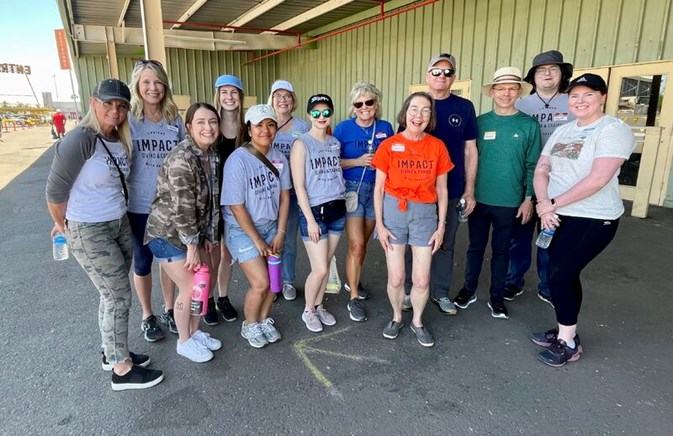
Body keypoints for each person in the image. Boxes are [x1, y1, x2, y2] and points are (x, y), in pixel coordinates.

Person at [46, 78, 164, 390]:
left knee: (109, 294)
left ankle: (112, 351)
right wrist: (65, 226)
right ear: (93, 102)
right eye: (108, 103)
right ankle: (121, 370)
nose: (115, 110)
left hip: (118, 223)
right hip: (89, 228)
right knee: (118, 295)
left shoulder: (117, 138)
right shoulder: (81, 139)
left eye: (121, 105)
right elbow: (54, 193)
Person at [530, 73, 635, 367]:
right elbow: (542, 169)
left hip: (592, 218)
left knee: (562, 274)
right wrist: (544, 204)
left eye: (588, 94)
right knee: (557, 272)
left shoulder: (613, 130)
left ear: (602, 96)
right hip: (554, 214)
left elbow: (598, 179)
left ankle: (569, 342)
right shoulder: (564, 131)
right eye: (575, 95)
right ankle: (565, 330)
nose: (580, 101)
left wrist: (552, 203)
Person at [453, 67, 541, 320]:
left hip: (510, 201)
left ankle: (496, 296)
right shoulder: (480, 123)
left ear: (519, 92)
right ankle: (468, 289)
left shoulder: (528, 125)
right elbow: (468, 159)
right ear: (492, 92)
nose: (506, 93)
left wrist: (528, 198)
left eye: (512, 88)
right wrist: (466, 193)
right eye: (501, 88)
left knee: (502, 250)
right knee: (475, 247)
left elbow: (533, 165)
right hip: (479, 199)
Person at [144, 102, 223, 363]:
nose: (208, 127)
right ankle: (183, 340)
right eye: (200, 122)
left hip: (193, 234)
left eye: (212, 121)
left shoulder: (211, 155)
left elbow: (213, 197)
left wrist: (211, 235)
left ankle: (195, 332)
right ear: (188, 127)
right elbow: (183, 207)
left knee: (204, 283)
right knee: (190, 286)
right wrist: (192, 246)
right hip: (167, 234)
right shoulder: (182, 158)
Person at [373, 92, 453, 347]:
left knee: (421, 279)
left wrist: (441, 226)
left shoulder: (437, 146)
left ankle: (417, 321)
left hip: (424, 214)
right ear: (405, 112)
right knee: (396, 278)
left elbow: (442, 190)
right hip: (394, 212)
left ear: (431, 117)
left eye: (425, 111)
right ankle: (397, 317)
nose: (419, 115)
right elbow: (378, 189)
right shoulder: (389, 145)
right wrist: (380, 225)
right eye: (414, 109)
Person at [403, 53, 478, 316]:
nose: (441, 76)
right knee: (415, 242)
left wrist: (469, 190)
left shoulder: (465, 107)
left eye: (447, 72)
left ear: (454, 78)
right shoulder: (416, 106)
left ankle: (440, 292)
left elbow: (470, 150)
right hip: (417, 191)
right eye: (436, 71)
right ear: (427, 76)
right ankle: (410, 289)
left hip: (452, 187)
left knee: (445, 241)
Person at [505, 50, 575, 306]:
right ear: (533, 77)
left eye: (553, 69)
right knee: (519, 237)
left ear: (562, 74)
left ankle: (548, 285)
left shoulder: (573, 103)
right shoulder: (521, 105)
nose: (547, 74)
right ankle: (513, 281)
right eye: (541, 70)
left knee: (551, 238)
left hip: (560, 184)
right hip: (524, 181)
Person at [222, 104, 291, 348]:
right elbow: (236, 206)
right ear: (249, 129)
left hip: (271, 226)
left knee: (274, 284)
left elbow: (284, 197)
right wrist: (257, 240)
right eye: (259, 125)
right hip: (242, 230)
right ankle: (249, 324)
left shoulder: (279, 158)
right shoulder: (237, 160)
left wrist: (281, 232)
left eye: (270, 124)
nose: (265, 130)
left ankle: (262, 319)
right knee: (261, 282)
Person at [127, 59, 185, 342]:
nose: (153, 88)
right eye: (147, 82)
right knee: (143, 262)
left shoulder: (174, 119)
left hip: (170, 206)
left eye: (158, 82)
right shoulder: (128, 119)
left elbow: (186, 157)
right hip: (139, 205)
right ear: (137, 85)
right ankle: (147, 315)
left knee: (170, 260)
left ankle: (170, 308)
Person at [334, 82, 394, 322]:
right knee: (356, 245)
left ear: (377, 104)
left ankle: (353, 280)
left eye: (369, 102)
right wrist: (357, 161)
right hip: (352, 191)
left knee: (363, 245)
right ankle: (354, 298)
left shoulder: (386, 127)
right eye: (359, 103)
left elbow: (394, 157)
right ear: (353, 107)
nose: (364, 107)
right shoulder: (343, 129)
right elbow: (332, 161)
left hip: (378, 192)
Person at [290, 94, 345, 333]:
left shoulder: (334, 142)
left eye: (325, 113)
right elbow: (299, 185)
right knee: (320, 268)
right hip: (314, 212)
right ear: (309, 115)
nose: (321, 117)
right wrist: (310, 220)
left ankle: (319, 304)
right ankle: (308, 309)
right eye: (316, 113)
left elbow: (335, 172)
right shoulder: (301, 143)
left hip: (337, 208)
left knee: (327, 262)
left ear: (331, 114)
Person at [202, 74, 247, 326]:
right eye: (224, 92)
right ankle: (207, 299)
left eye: (234, 92)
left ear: (240, 97)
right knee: (211, 253)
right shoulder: (212, 126)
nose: (229, 97)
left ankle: (223, 297)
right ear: (218, 96)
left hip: (235, 200)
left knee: (228, 253)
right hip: (211, 198)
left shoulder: (246, 128)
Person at [267, 79, 310, 301]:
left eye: (287, 96)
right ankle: (270, 283)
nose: (282, 100)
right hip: (267, 194)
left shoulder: (303, 127)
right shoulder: (265, 123)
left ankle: (287, 281)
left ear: (293, 100)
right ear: (272, 100)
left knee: (288, 240)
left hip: (292, 193)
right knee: (268, 238)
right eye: (278, 96)